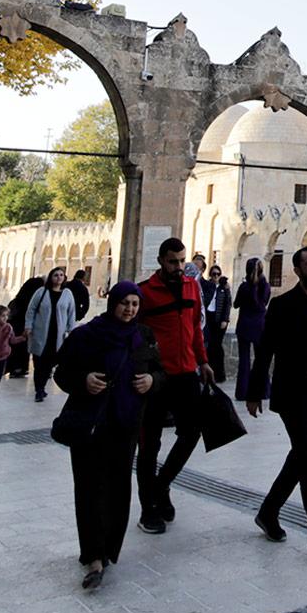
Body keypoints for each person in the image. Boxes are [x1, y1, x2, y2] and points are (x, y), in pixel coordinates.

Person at [55, 281, 163, 591]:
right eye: (124, 303)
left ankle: (108, 548)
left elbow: (161, 372)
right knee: (89, 489)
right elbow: (62, 373)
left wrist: (151, 381)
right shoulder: (86, 336)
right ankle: (93, 555)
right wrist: (83, 379)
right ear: (112, 302)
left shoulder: (143, 337)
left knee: (118, 488)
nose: (129, 309)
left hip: (125, 424)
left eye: (134, 304)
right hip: (91, 424)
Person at [245, 246, 307, 566]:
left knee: (301, 457)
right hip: (292, 394)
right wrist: (255, 390)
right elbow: (265, 349)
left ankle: (268, 512)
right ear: (297, 270)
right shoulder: (282, 305)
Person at [135, 238, 213, 535]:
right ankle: (147, 508)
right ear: (161, 261)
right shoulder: (145, 292)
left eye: (182, 261)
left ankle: (161, 484)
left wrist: (203, 361)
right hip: (156, 378)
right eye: (173, 262)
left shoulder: (192, 287)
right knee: (149, 442)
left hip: (185, 372)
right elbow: (135, 334)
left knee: (192, 431)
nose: (179, 267)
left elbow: (194, 327)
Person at [25, 267, 77, 403]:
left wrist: (71, 330)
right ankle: (39, 389)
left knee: (49, 362)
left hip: (57, 335)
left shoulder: (67, 294)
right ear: (51, 277)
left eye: (61, 275)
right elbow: (31, 309)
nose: (59, 277)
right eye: (56, 275)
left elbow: (71, 313)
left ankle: (42, 386)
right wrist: (28, 326)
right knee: (39, 362)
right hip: (41, 333)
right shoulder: (41, 292)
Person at [232, 258, 270, 403]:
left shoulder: (244, 287)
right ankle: (264, 391)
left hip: (244, 326)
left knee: (244, 361)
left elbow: (236, 305)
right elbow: (263, 305)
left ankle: (242, 392)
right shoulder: (265, 286)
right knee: (261, 361)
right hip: (260, 326)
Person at [6, 271, 49, 379]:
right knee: (23, 345)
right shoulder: (35, 296)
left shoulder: (19, 299)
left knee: (18, 345)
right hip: (23, 324)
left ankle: (16, 368)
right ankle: (20, 368)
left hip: (16, 323)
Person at [201, 263, 232, 385]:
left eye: (218, 274)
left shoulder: (224, 287)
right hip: (209, 318)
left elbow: (228, 304)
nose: (216, 276)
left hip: (219, 320)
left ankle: (219, 374)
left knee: (217, 347)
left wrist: (225, 319)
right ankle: (208, 373)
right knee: (208, 346)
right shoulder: (208, 286)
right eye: (214, 274)